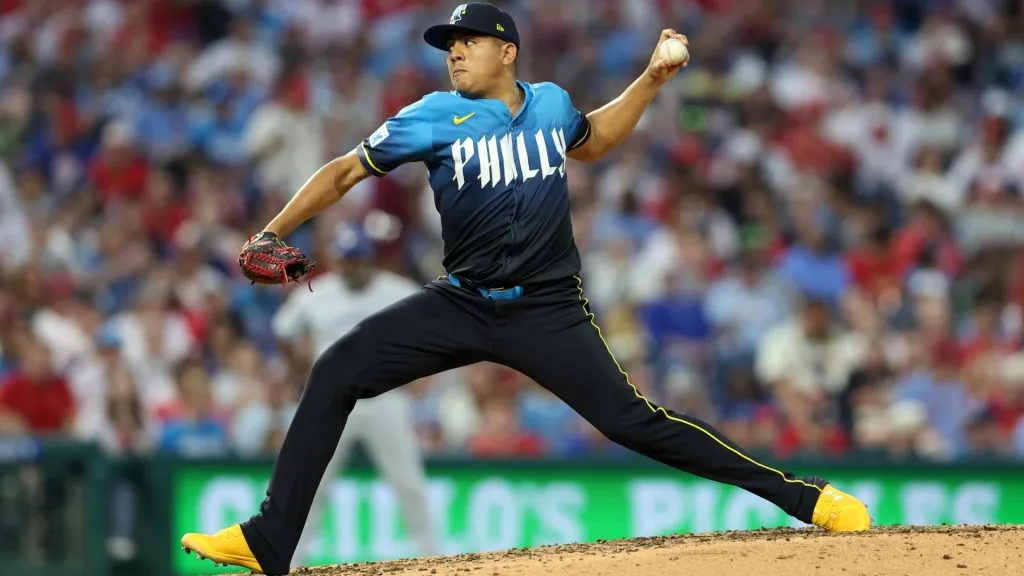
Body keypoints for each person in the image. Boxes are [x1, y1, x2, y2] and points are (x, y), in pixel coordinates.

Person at [182, 4, 871, 574]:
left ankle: (805, 500)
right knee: (336, 370)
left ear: (507, 51)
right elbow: (343, 173)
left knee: (634, 421)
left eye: (468, 41)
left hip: (547, 307)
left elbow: (593, 139)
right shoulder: (429, 115)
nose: (454, 53)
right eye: (448, 44)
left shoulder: (550, 105)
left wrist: (654, 78)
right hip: (462, 301)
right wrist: (269, 230)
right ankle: (270, 539)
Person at [271, 221, 440, 567]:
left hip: (384, 401)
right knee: (311, 486)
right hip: (332, 403)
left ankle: (433, 559)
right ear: (337, 260)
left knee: (408, 483)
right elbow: (283, 331)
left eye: (358, 259)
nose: (351, 266)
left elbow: (430, 327)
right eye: (346, 260)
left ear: (370, 259)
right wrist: (298, 372)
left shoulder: (397, 290)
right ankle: (289, 561)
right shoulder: (318, 292)